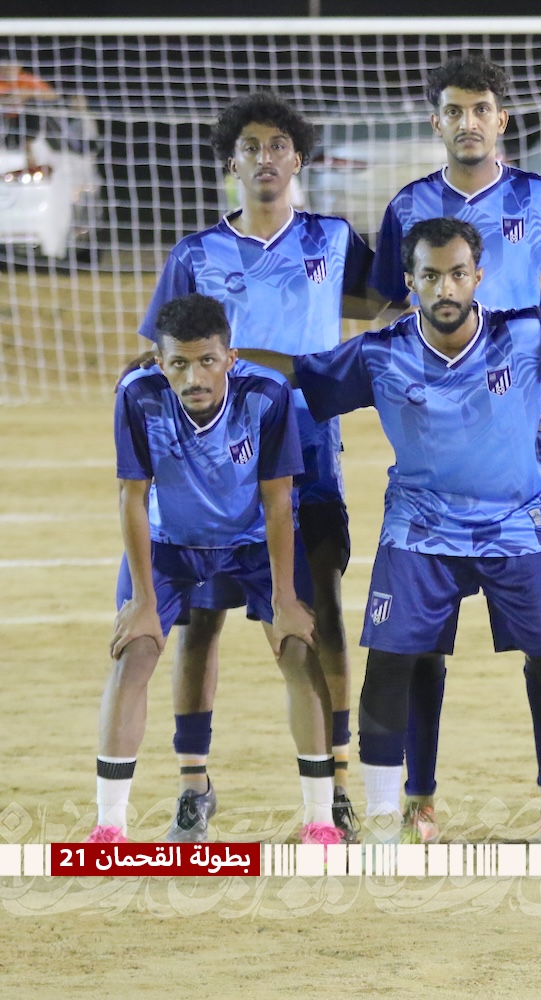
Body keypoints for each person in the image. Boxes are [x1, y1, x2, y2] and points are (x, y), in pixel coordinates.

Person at [263, 218, 541, 844]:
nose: (446, 288)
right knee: (390, 664)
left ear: (478, 277)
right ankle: (383, 819)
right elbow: (300, 371)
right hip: (420, 530)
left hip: (519, 527)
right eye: (431, 275)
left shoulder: (527, 335)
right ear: (410, 282)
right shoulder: (380, 353)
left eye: (458, 274)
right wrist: (213, 361)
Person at [136, 93, 385, 843]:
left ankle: (334, 780)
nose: (265, 157)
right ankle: (194, 784)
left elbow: (385, 300)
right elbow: (160, 352)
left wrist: (344, 365)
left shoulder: (333, 238)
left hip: (309, 452)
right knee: (200, 622)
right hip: (214, 463)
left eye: (278, 144)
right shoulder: (196, 254)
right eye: (250, 146)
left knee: (320, 613)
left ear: (298, 158)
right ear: (232, 162)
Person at [371, 54, 541, 844]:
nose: (468, 122)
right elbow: (380, 305)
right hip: (434, 437)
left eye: (481, 109)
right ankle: (418, 799)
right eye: (454, 110)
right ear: (435, 121)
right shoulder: (407, 206)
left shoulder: (539, 199)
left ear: (503, 118)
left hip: (523, 436)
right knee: (418, 643)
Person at [89, 294, 333, 845]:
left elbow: (278, 500)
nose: (194, 377)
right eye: (179, 363)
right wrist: (143, 600)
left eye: (206, 361)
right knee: (134, 653)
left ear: (230, 357)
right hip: (169, 543)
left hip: (252, 543)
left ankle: (320, 821)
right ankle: (109, 828)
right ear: (160, 362)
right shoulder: (138, 396)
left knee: (297, 648)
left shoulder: (267, 394)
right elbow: (132, 496)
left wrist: (285, 598)